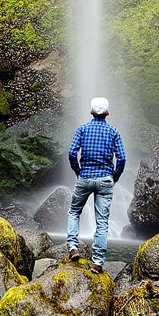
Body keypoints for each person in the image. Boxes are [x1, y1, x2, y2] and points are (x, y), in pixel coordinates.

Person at [66, 96, 126, 273]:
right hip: (105, 180)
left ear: (91, 112)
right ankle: (97, 262)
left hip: (84, 177)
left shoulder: (83, 129)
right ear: (108, 113)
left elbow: (71, 152)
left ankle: (73, 247)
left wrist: (78, 171)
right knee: (102, 223)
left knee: (74, 212)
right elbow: (121, 158)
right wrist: (115, 177)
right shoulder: (113, 131)